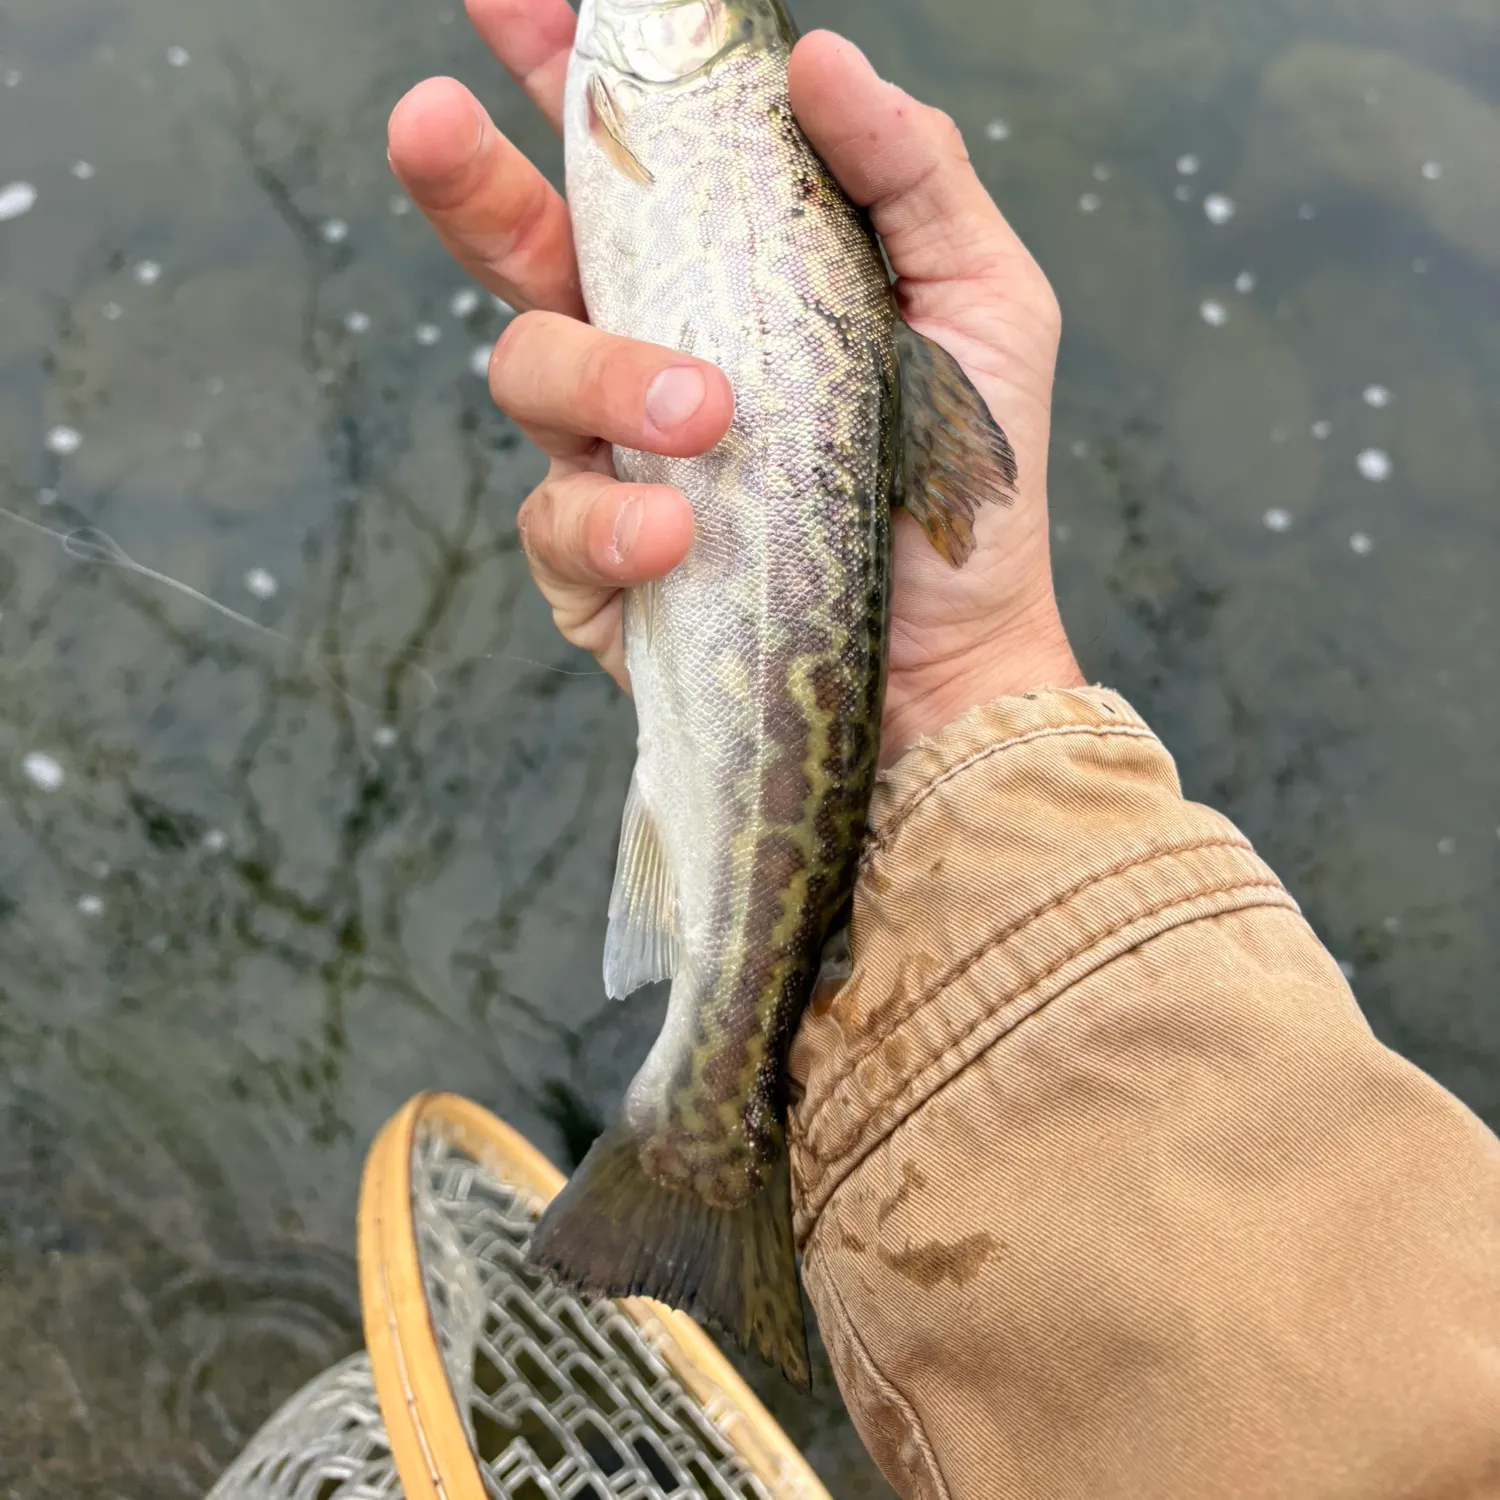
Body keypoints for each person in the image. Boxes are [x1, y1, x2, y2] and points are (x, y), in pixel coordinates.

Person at [388, 7, 1500, 1497]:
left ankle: (700, 1142)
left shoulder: (676, 87)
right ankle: (710, 1124)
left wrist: (946, 677)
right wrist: (969, 703)